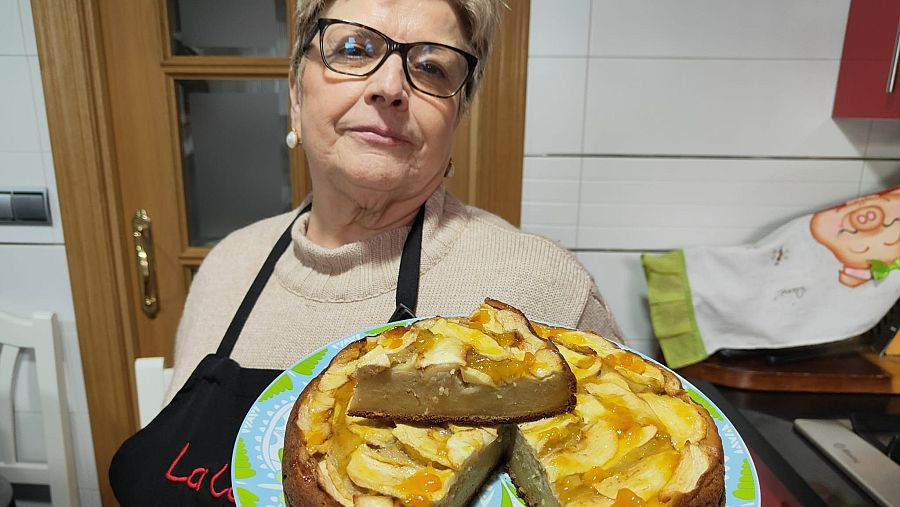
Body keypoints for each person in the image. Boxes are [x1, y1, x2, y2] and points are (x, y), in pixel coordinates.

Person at [109, 0, 625, 505]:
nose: (389, 87)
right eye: (354, 49)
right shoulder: (228, 266)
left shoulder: (544, 284)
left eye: (431, 66)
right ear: (295, 92)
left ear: (457, 114)